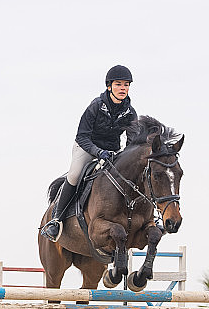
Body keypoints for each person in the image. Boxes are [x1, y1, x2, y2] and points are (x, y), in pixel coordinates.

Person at [40, 65, 138, 242]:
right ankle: (56, 220)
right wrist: (98, 151)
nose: (123, 88)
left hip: (112, 152)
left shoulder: (130, 113)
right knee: (74, 175)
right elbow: (82, 136)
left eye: (126, 85)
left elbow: (132, 143)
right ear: (109, 86)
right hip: (86, 148)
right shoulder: (96, 106)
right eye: (118, 84)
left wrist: (125, 158)